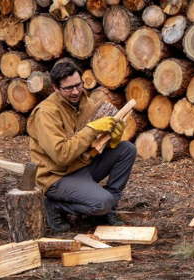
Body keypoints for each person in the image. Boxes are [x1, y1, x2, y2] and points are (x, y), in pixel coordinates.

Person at [27, 58, 137, 233]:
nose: (76, 91)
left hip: (81, 164)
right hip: (57, 176)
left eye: (79, 85)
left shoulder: (86, 104)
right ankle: (56, 206)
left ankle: (107, 212)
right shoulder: (46, 113)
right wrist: (92, 129)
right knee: (102, 202)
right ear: (55, 88)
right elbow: (62, 156)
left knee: (126, 150)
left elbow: (93, 142)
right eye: (69, 88)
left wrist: (112, 138)